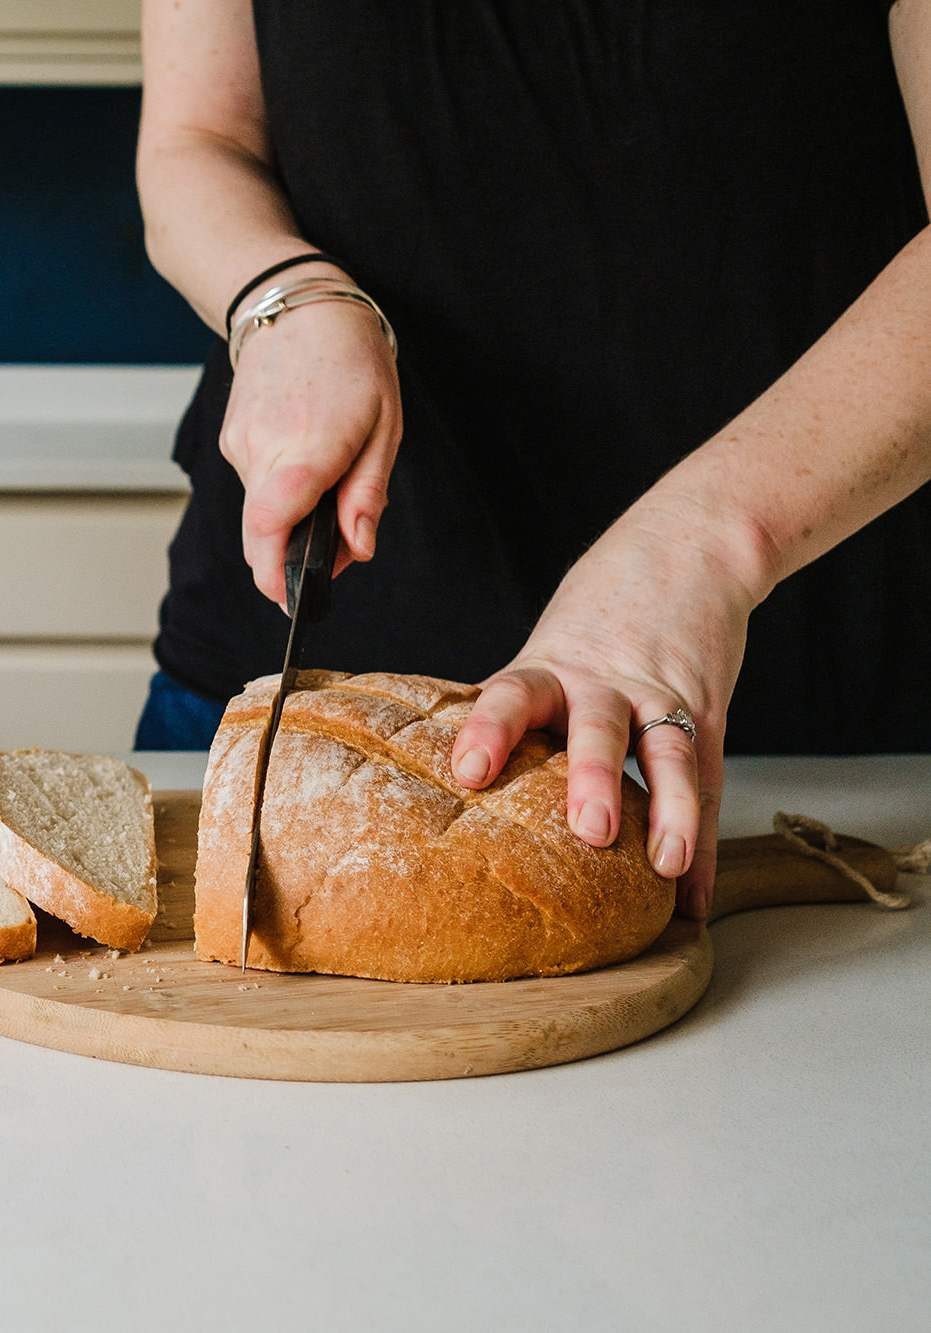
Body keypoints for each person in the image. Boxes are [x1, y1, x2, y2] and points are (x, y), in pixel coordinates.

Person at [132, 0, 931, 920]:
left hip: (824, 736)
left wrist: (706, 544)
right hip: (277, 705)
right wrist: (285, 294)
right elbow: (196, 140)